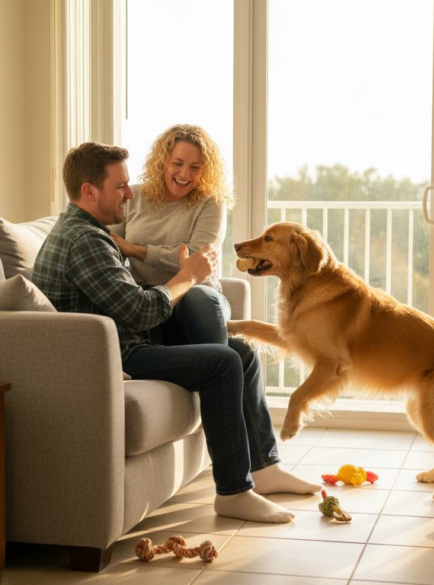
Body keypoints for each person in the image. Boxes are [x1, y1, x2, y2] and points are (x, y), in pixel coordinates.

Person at [32, 142, 319, 523]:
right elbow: (140, 309)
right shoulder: (86, 241)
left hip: (125, 341)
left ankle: (264, 468)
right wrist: (186, 277)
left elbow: (132, 303)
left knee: (243, 353)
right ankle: (233, 491)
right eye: (120, 187)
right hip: (116, 355)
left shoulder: (88, 232)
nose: (130, 194)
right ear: (89, 191)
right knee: (223, 362)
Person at [109, 124, 231, 346]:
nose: (185, 174)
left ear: (206, 170)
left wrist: (137, 251)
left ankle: (216, 365)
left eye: (195, 167)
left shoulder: (211, 202)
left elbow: (196, 259)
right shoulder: (132, 196)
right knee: (245, 354)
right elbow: (111, 245)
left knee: (198, 298)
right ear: (162, 162)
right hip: (149, 301)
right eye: (177, 164)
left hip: (197, 297)